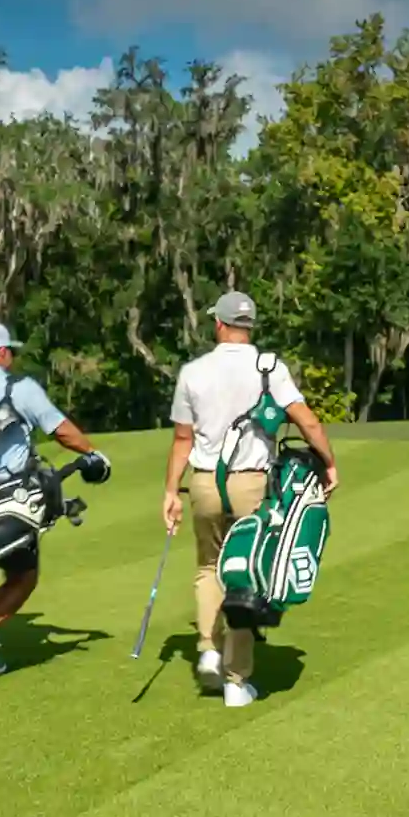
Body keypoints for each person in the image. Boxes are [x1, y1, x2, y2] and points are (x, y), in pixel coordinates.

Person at [161, 290, 339, 708]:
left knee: (209, 566)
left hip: (205, 481)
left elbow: (182, 440)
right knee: (245, 573)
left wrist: (171, 490)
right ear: (249, 326)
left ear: (219, 324)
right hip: (253, 483)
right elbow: (306, 420)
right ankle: (236, 682)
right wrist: (328, 462)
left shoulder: (193, 371)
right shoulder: (269, 368)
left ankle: (207, 648)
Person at [0, 321, 104, 685]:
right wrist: (93, 454)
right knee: (24, 576)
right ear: (3, 353)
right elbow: (61, 430)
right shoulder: (20, 388)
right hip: (6, 497)